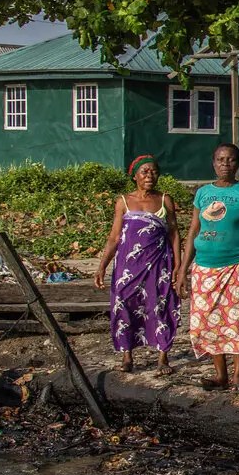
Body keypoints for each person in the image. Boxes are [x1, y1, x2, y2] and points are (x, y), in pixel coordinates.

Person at [175, 143, 239, 390]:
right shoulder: (203, 193)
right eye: (221, 159)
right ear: (213, 162)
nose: (226, 164)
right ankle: (220, 375)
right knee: (209, 321)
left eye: (231, 160)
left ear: (238, 163)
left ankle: (238, 375)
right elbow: (194, 229)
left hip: (238, 265)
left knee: (238, 320)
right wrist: (183, 269)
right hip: (205, 267)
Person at [94, 154, 180, 374]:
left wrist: (179, 266)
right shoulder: (123, 201)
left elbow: (174, 234)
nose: (149, 175)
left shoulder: (164, 200)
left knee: (160, 305)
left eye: (153, 171)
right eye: (145, 171)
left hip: (158, 264)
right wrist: (102, 265)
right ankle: (127, 356)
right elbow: (114, 237)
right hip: (128, 266)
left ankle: (163, 357)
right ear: (135, 176)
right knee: (124, 304)